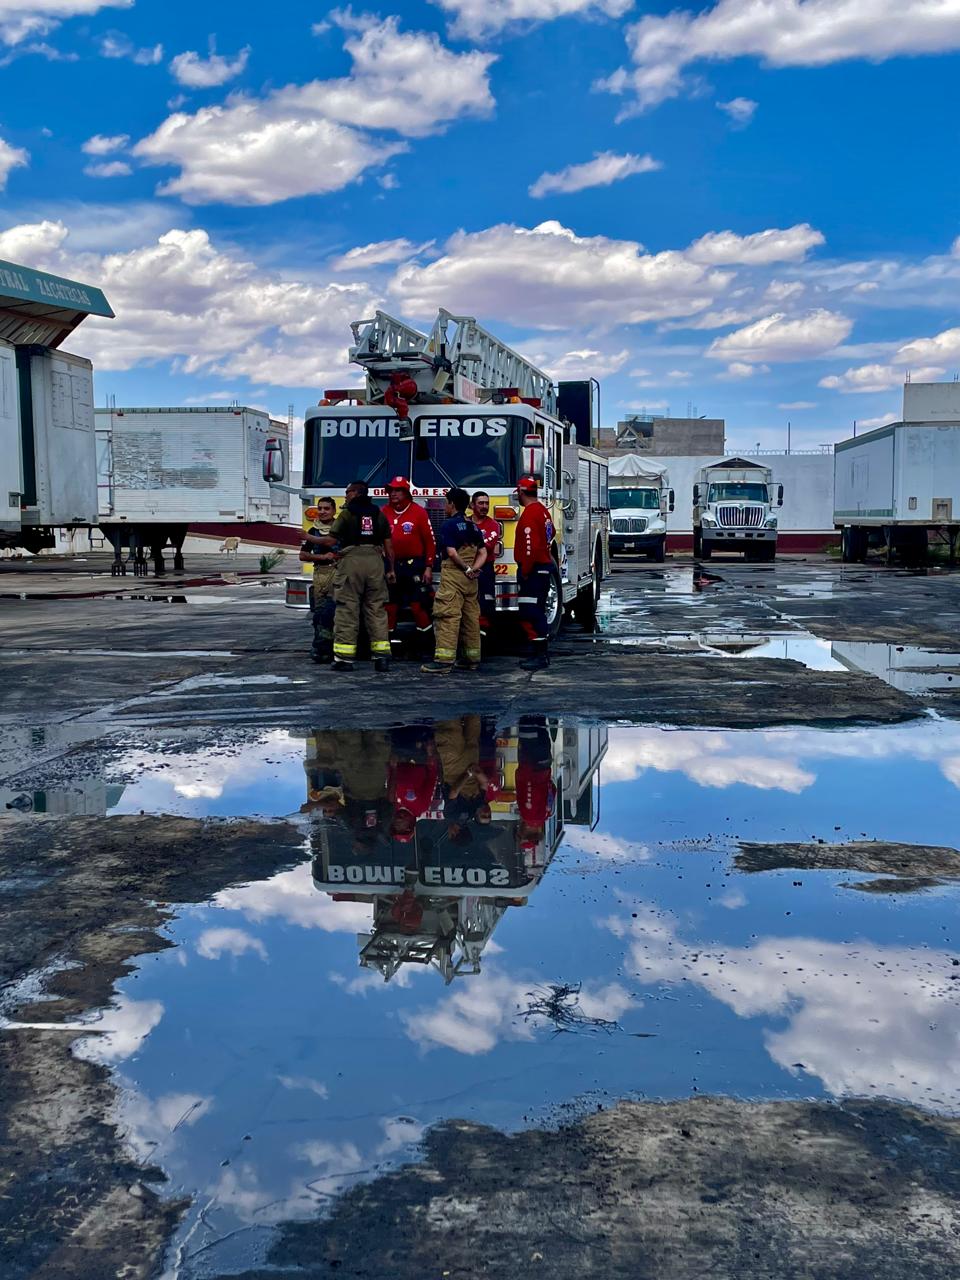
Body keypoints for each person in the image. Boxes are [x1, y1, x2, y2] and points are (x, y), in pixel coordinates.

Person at [313, 480, 395, 672]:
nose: (346, 495)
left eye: (348, 492)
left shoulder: (347, 514)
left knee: (347, 610)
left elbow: (331, 539)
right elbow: (389, 546)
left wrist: (309, 538)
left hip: (352, 563)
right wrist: (390, 569)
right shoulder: (379, 514)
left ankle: (344, 659)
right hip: (375, 564)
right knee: (376, 610)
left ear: (356, 493)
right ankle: (381, 658)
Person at [422, 487, 487, 675]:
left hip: (453, 575)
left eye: (446, 503)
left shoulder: (448, 525)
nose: (444, 507)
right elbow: (483, 552)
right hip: (470, 580)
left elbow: (451, 552)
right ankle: (471, 658)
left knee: (447, 616)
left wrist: (465, 568)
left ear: (452, 504)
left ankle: (443, 661)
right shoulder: (473, 526)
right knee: (470, 618)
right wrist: (473, 569)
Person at [383, 476, 436, 658]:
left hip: (414, 567)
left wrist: (428, 566)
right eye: (391, 490)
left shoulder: (419, 513)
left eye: (397, 490)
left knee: (417, 606)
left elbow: (430, 542)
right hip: (391, 567)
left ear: (406, 493)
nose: (393, 494)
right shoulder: (384, 512)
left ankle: (426, 647)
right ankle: (387, 648)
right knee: (389, 607)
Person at [514, 475, 555, 671]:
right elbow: (551, 532)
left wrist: (525, 570)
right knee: (536, 610)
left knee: (530, 612)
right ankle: (540, 653)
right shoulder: (543, 511)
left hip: (534, 570)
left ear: (521, 492)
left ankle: (539, 655)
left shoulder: (530, 514)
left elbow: (530, 546)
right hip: (543, 568)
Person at [298, 498, 338, 663]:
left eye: (326, 509)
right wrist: (322, 556)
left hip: (338, 574)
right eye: (320, 508)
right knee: (319, 615)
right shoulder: (313, 531)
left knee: (335, 614)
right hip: (320, 574)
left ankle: (335, 648)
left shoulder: (340, 529)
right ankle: (321, 648)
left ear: (334, 511)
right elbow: (303, 555)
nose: (322, 512)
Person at [470, 491, 500, 639]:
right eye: (480, 503)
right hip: (465, 570)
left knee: (486, 604)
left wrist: (468, 545)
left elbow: (487, 545)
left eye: (486, 503)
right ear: (472, 505)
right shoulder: (465, 523)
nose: (484, 506)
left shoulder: (493, 525)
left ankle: (484, 637)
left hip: (485, 570)